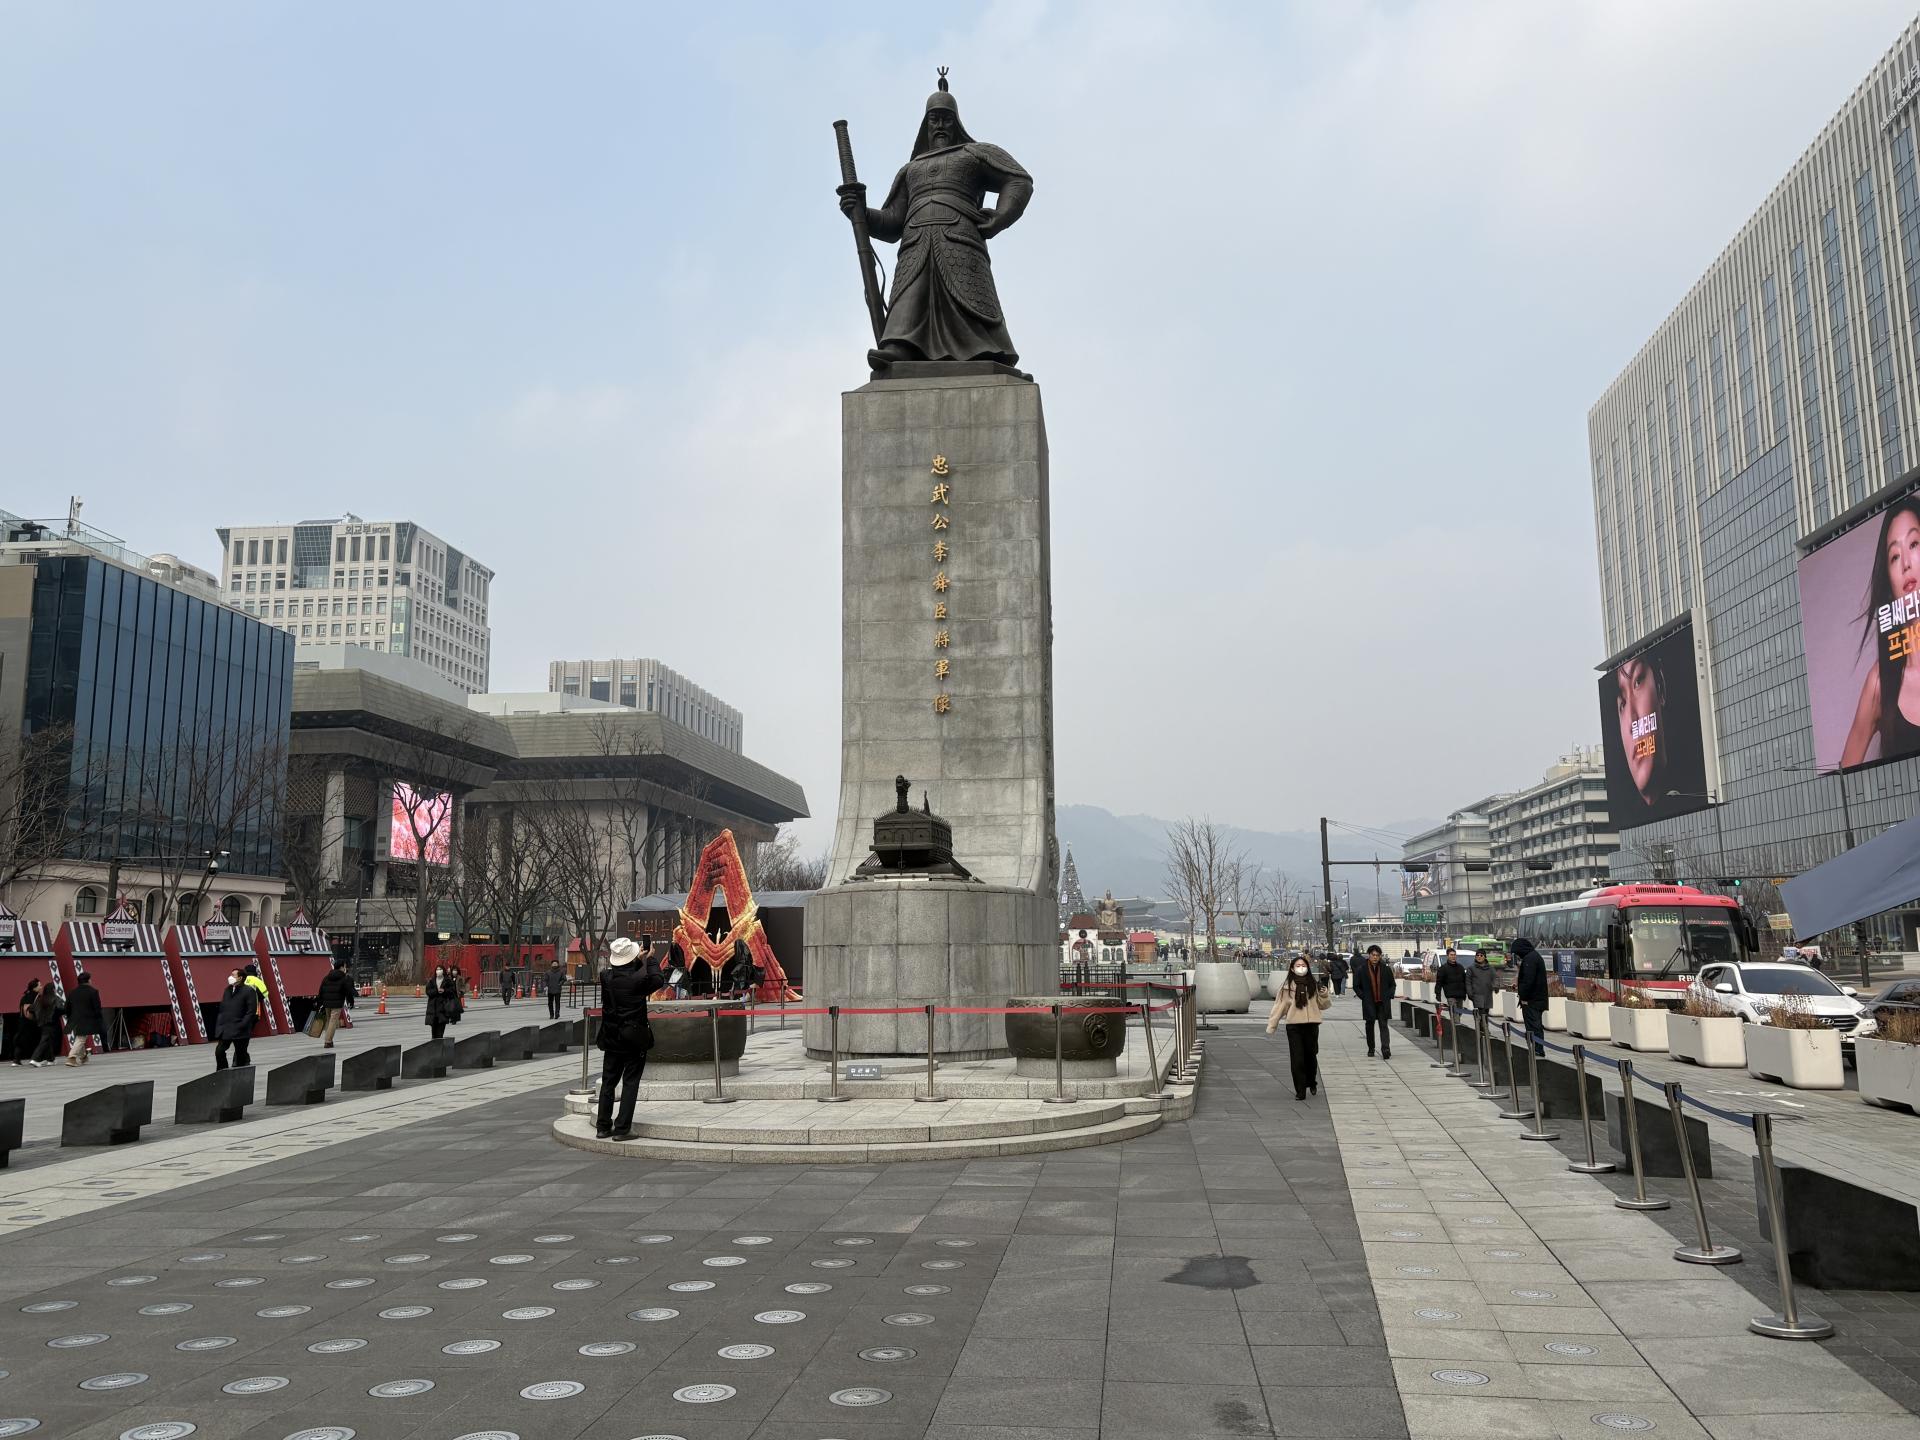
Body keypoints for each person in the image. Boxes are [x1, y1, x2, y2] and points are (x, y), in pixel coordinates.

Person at [1843, 498, 1920, 768]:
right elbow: (1844, 776)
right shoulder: (1880, 683)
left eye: (1914, 544)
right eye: (1894, 556)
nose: (1906, 563)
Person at [596, 936, 668, 1141]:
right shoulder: (638, 982)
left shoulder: (605, 977)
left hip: (611, 1037)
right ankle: (621, 1129)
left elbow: (624, 975)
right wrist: (650, 959)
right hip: (633, 1038)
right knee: (630, 1082)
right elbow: (658, 979)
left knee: (608, 1082)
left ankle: (603, 1127)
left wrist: (637, 960)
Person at [1265, 954, 1332, 1100]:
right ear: (1292, 968)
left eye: (1303, 966)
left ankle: (1311, 1081)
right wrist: (1272, 1024)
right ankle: (1300, 1090)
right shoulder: (1286, 987)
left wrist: (1324, 994)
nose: (1301, 968)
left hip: (1312, 1025)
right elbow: (1279, 1007)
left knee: (1311, 1056)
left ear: (1308, 968)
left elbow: (1323, 1005)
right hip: (1294, 1026)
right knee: (1297, 1059)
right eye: (1298, 966)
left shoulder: (1314, 984)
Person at [1355, 944, 1395, 1060]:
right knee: (1369, 1025)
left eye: (1377, 955)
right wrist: (1363, 996)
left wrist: (1389, 995)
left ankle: (1385, 1049)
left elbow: (1392, 984)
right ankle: (1371, 1048)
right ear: (1369, 955)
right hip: (1369, 1002)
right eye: (1373, 955)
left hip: (1383, 1002)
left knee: (1383, 1025)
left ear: (1380, 956)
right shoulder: (1362, 969)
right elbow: (1356, 986)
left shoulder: (1386, 969)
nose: (1375, 957)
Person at [212, 970, 258, 1070]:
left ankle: (240, 1074)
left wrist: (243, 1024)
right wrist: (220, 1023)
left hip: (240, 1029)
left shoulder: (249, 991)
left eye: (233, 975)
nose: (230, 977)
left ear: (240, 978)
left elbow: (251, 1011)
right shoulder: (227, 990)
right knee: (219, 1051)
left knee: (240, 1055)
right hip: (226, 1028)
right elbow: (223, 1008)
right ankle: (222, 1071)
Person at [1512, 936, 1549, 1057]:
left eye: (1517, 953)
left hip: (1532, 1001)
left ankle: (1537, 1050)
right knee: (1535, 1026)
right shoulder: (1534, 957)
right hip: (1537, 1000)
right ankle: (1536, 1049)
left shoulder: (1530, 959)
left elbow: (1528, 981)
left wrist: (1523, 997)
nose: (1517, 955)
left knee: (1533, 1027)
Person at [312, 957, 355, 1048]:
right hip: (337, 1003)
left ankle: (329, 1040)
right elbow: (348, 991)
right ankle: (328, 1041)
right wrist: (351, 1001)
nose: (345, 968)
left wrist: (319, 1002)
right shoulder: (343, 978)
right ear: (341, 967)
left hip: (326, 1003)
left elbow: (321, 991)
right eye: (344, 966)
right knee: (333, 1022)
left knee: (329, 1021)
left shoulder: (326, 977)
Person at [64, 970, 104, 1066]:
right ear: (88, 980)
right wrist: (98, 1018)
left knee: (80, 1036)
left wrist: (70, 1017)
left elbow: (67, 1007)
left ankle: (83, 1057)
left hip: (74, 1019)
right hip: (87, 1018)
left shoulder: (72, 992)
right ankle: (71, 1057)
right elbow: (97, 1007)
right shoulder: (93, 991)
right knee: (81, 1038)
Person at [27, 981, 63, 1066]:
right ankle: (35, 1059)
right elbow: (61, 1008)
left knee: (48, 1040)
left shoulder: (40, 998)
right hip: (52, 1022)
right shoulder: (55, 998)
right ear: (53, 989)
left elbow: (31, 1009)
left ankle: (51, 1059)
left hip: (42, 1023)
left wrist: (37, 1017)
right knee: (45, 1040)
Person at [426, 966, 462, 1040]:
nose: (438, 971)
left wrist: (444, 991)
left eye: (440, 969)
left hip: (443, 1008)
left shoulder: (448, 980)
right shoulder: (432, 980)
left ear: (443, 971)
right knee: (434, 1033)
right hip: (433, 1009)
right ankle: (434, 1044)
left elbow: (452, 992)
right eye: (437, 969)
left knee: (440, 1032)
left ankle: (439, 1044)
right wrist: (436, 991)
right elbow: (428, 992)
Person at [1436, 948, 1468, 1028]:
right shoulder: (1443, 968)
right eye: (1451, 955)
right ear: (1447, 956)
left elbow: (1465, 981)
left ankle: (1453, 1027)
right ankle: (1457, 1030)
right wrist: (1438, 994)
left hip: (1460, 995)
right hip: (1451, 996)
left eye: (1454, 955)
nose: (1453, 956)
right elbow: (1439, 983)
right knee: (1455, 1014)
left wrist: (1466, 992)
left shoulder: (1460, 967)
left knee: (1459, 1012)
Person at [14, 977, 42, 1067]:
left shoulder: (24, 997)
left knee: (21, 1041)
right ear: (34, 988)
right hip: (31, 1022)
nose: (41, 987)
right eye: (40, 985)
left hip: (22, 1022)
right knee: (38, 1040)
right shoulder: (35, 996)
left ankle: (16, 1060)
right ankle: (36, 1059)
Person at [1468, 948, 1496, 1034]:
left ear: (1485, 957)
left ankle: (1482, 1029)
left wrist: (1496, 986)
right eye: (1477, 955)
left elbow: (1495, 978)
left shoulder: (1490, 968)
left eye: (1481, 955)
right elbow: (1468, 982)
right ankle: (1484, 1029)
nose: (1479, 957)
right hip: (1477, 994)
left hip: (1487, 994)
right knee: (1481, 1012)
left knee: (1485, 1012)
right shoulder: (1471, 968)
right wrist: (1470, 993)